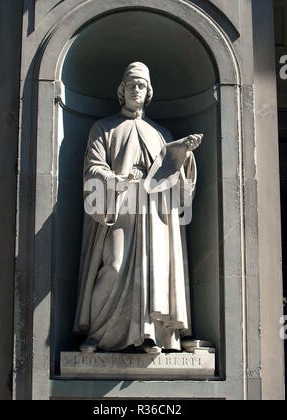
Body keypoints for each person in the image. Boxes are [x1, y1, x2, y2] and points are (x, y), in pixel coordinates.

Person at [73, 62, 202, 354]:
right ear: (122, 90)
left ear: (148, 92)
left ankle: (149, 335)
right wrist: (118, 179)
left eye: (141, 85)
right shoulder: (104, 127)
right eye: (131, 85)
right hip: (121, 208)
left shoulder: (161, 132)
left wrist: (183, 154)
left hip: (155, 214)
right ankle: (99, 333)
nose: (136, 90)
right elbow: (92, 169)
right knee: (115, 265)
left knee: (156, 272)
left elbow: (173, 177)